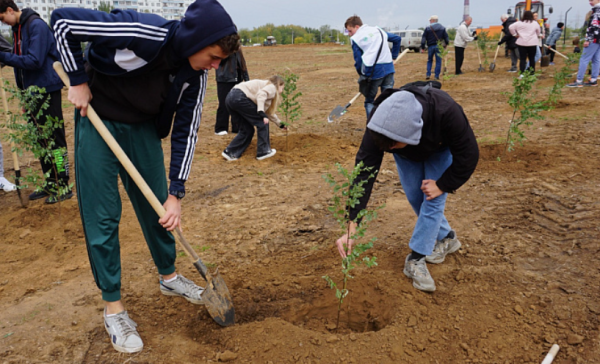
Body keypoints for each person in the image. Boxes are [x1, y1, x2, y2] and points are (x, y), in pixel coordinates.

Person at [50, 0, 239, 353]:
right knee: (103, 216)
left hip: (144, 133)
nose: (215, 67)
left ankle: (169, 277)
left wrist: (176, 193)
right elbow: (61, 23)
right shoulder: (142, 31)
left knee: (160, 214)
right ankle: (114, 308)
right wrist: (77, 80)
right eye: (213, 57)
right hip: (99, 121)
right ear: (195, 39)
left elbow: (187, 131)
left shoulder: (195, 77)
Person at [335, 82, 479, 292]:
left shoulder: (447, 112)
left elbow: (469, 155)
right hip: (408, 153)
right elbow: (365, 170)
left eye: (392, 145)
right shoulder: (380, 121)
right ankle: (448, 238)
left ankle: (416, 259)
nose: (388, 149)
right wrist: (352, 223)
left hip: (439, 148)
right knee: (414, 196)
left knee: (431, 199)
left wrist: (443, 184)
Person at [0, 0, 72, 204]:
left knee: (55, 141)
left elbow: (34, 60)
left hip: (47, 90)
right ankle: (51, 182)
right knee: (40, 140)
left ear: (9, 10)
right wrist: (24, 96)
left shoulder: (36, 26)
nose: (4, 23)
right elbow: (20, 66)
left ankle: (64, 184)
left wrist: (4, 56)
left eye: (3, 18)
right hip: (31, 94)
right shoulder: (17, 29)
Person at [345, 15, 401, 117]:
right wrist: (393, 58)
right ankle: (387, 127)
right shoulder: (378, 30)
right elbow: (397, 39)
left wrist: (362, 76)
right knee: (387, 100)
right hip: (389, 69)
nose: (349, 34)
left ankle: (372, 128)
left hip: (373, 73)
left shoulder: (356, 38)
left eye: (350, 31)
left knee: (370, 102)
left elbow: (358, 62)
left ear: (357, 26)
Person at [221, 75, 284, 161]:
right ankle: (263, 151)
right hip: (240, 97)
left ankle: (230, 152)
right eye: (282, 88)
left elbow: (269, 113)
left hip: (231, 97)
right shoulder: (272, 87)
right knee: (263, 122)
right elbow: (261, 95)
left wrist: (280, 124)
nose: (282, 91)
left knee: (246, 129)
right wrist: (261, 113)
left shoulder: (264, 86)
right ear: (279, 84)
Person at [214, 48, 249, 135]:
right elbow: (219, 62)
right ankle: (220, 128)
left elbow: (243, 65)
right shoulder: (223, 50)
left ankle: (236, 127)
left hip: (237, 80)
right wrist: (229, 50)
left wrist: (247, 80)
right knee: (223, 104)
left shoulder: (238, 51)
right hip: (224, 80)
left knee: (237, 104)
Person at [567, 0, 600, 87]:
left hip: (593, 39)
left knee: (584, 59)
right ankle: (593, 80)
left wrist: (588, 39)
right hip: (598, 39)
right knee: (596, 59)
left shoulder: (596, 10)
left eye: (592, 0)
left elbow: (594, 26)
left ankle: (579, 80)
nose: (590, 2)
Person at [420, 15, 449, 80]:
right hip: (439, 46)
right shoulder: (442, 28)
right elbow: (446, 37)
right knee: (438, 61)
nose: (430, 21)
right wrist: (446, 44)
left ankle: (428, 74)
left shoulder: (428, 28)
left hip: (430, 46)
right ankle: (436, 76)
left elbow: (424, 38)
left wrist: (423, 47)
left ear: (433, 20)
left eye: (430, 20)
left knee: (429, 60)